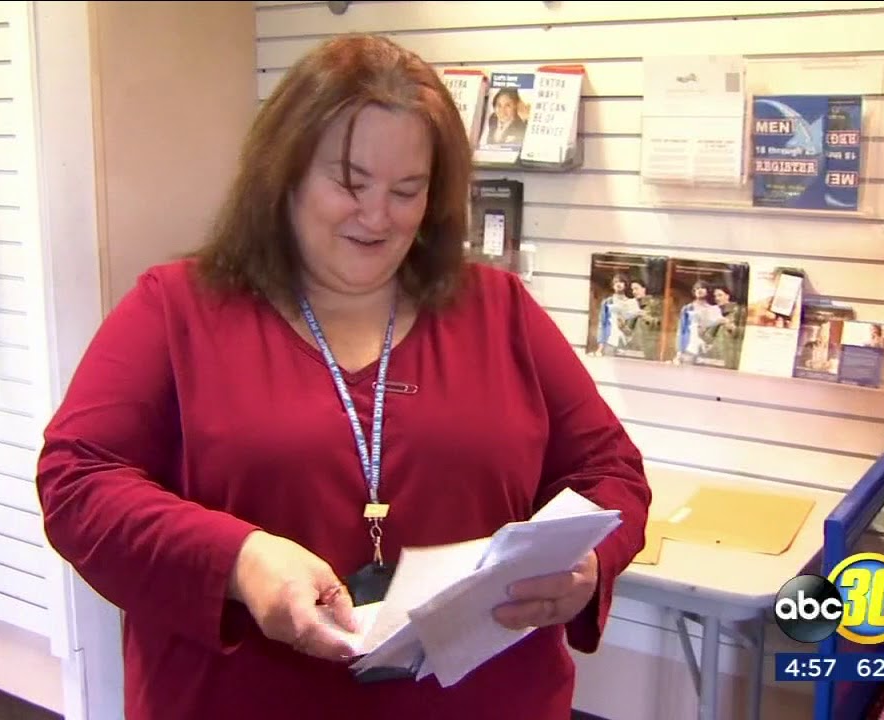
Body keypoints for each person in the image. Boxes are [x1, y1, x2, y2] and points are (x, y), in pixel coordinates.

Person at [35, 33, 651, 720]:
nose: (377, 216)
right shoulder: (175, 308)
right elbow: (77, 481)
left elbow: (612, 472)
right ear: (286, 172)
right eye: (350, 183)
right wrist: (239, 560)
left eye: (406, 191)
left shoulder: (500, 311)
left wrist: (589, 568)